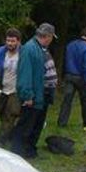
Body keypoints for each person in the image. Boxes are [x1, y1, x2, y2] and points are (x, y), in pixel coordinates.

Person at [12, 23, 56, 158]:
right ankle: (17, 153)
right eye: (51, 37)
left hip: (43, 94)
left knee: (37, 124)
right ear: (47, 36)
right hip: (33, 96)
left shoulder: (41, 48)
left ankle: (30, 151)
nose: (51, 40)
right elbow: (25, 74)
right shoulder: (29, 49)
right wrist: (28, 95)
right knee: (26, 125)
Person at [57, 26, 86, 129]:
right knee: (85, 101)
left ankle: (62, 122)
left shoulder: (70, 45)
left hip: (69, 75)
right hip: (81, 78)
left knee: (67, 100)